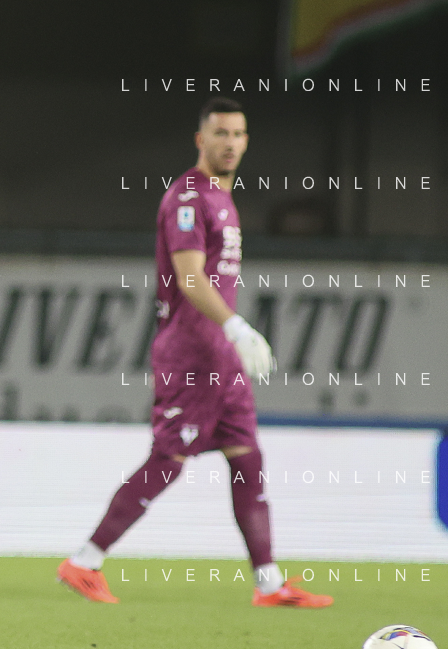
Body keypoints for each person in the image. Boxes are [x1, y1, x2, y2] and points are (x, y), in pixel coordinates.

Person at [57, 97, 331, 609]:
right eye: (220, 133)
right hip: (192, 354)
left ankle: (269, 583)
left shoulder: (222, 198)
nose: (230, 143)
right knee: (168, 459)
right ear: (200, 139)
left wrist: (230, 338)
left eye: (238, 134)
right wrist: (236, 326)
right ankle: (84, 561)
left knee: (247, 457)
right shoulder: (189, 197)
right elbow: (189, 278)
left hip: (221, 357)